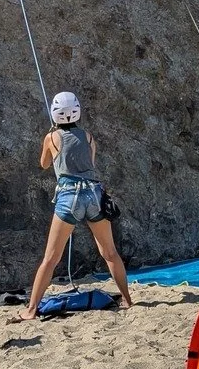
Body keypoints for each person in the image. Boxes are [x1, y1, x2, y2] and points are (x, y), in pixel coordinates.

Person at [15, 91, 135, 319]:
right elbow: (89, 162)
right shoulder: (88, 136)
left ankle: (30, 310)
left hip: (69, 196)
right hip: (93, 194)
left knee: (51, 258)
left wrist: (51, 141)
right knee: (109, 252)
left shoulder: (51, 138)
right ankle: (128, 300)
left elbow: (43, 164)